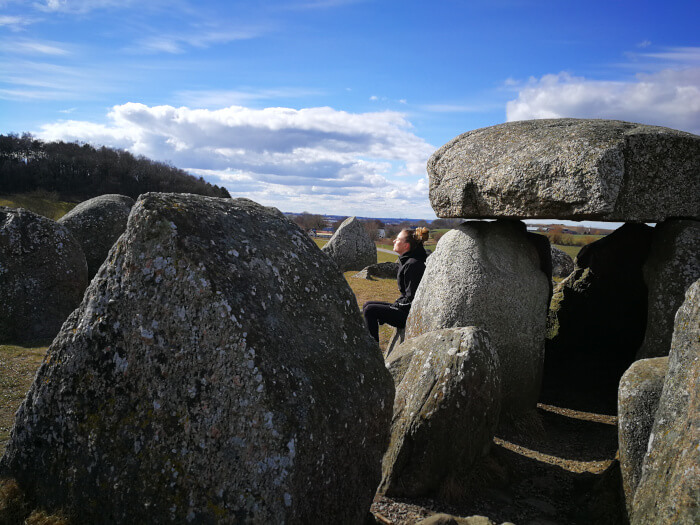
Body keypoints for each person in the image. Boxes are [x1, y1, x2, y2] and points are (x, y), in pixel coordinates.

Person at [362, 227, 430, 342]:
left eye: (398, 240)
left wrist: (395, 306)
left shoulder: (413, 265)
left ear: (406, 246)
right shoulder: (407, 261)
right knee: (367, 305)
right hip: (405, 309)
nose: (394, 241)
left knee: (370, 310)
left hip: (409, 314)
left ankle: (373, 350)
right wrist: (395, 305)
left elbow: (411, 299)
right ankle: (370, 344)